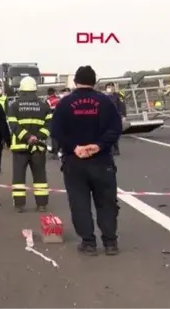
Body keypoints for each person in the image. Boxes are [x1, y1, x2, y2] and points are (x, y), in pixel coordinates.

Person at [50, 65, 122, 256]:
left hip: (74, 161)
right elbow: (115, 128)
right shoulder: (105, 102)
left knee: (79, 202)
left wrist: (75, 147)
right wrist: (99, 145)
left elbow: (56, 131)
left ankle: (89, 243)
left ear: (75, 82)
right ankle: (110, 243)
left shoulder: (65, 104)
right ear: (95, 81)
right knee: (106, 202)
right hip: (101, 160)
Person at [7, 77, 52, 213]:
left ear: (21, 89)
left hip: (20, 147)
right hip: (38, 147)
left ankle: (20, 205)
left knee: (19, 176)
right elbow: (49, 125)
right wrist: (37, 137)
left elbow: (13, 125)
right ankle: (41, 204)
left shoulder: (14, 105)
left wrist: (27, 137)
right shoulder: (44, 105)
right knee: (40, 177)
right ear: (35, 89)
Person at [105, 82, 126, 156]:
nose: (110, 88)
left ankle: (116, 149)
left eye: (111, 86)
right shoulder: (103, 97)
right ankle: (110, 149)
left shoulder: (119, 95)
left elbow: (122, 106)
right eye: (108, 87)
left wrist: (123, 116)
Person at [46, 88, 61, 160]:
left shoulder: (48, 101)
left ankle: (55, 153)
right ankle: (59, 150)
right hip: (61, 119)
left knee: (53, 136)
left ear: (48, 93)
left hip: (52, 120)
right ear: (54, 93)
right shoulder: (59, 99)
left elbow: (47, 111)